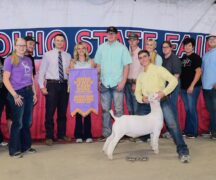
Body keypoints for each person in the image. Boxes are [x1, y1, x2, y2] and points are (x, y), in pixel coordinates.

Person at [135, 50, 190, 163]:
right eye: (140, 57)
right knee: (139, 119)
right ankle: (147, 138)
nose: (143, 59)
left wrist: (164, 92)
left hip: (161, 101)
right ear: (139, 60)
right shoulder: (140, 75)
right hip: (147, 103)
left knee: (172, 124)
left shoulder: (158, 69)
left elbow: (174, 80)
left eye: (145, 56)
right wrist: (141, 98)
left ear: (149, 57)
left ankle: (183, 151)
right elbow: (137, 92)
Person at [94, 26, 132, 141]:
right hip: (105, 83)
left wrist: (124, 81)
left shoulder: (122, 48)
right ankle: (106, 134)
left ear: (116, 35)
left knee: (119, 110)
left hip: (118, 83)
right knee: (105, 110)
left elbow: (126, 65)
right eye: (109, 33)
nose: (110, 35)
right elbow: (98, 65)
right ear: (106, 35)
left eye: (113, 33)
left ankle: (119, 134)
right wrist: (98, 79)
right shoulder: (101, 48)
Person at [3, 38, 37, 158]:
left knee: (27, 122)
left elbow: (31, 78)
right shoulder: (10, 59)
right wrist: (14, 95)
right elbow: (5, 79)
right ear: (15, 46)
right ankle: (14, 150)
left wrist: (35, 93)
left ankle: (26, 146)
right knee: (18, 122)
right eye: (20, 45)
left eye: (24, 45)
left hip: (28, 93)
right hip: (17, 93)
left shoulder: (28, 59)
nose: (22, 47)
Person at [38, 34, 71, 146]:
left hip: (64, 85)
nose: (60, 42)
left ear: (64, 42)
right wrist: (42, 86)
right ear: (54, 41)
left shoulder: (68, 55)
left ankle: (61, 135)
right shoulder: (47, 55)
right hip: (52, 85)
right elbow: (42, 72)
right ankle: (49, 136)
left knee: (62, 111)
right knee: (50, 112)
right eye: (58, 40)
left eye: (62, 40)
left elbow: (70, 72)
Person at [70, 42, 95, 143]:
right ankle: (78, 135)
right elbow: (72, 77)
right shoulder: (73, 62)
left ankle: (88, 135)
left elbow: (93, 76)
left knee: (88, 113)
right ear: (76, 50)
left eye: (83, 48)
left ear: (86, 50)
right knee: (79, 113)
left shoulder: (91, 62)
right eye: (78, 48)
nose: (81, 50)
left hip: (88, 91)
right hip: (77, 91)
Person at [180, 38, 202, 138]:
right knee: (188, 109)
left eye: (189, 45)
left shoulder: (196, 57)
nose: (187, 47)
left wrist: (192, 86)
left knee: (192, 109)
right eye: (185, 45)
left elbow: (198, 72)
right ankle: (187, 130)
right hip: (183, 88)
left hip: (193, 87)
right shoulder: (182, 58)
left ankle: (193, 132)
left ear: (193, 46)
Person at [161, 41, 182, 138]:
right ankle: (170, 131)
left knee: (172, 109)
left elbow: (176, 76)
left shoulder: (175, 58)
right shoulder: (163, 59)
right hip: (166, 87)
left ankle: (175, 133)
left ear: (171, 48)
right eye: (163, 47)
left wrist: (169, 90)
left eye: (166, 47)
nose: (165, 49)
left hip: (173, 87)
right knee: (167, 109)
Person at [202, 33, 216, 140]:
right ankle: (212, 131)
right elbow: (203, 71)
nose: (211, 40)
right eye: (209, 39)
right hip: (206, 87)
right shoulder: (206, 55)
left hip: (214, 87)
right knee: (211, 110)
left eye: (213, 39)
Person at [125, 33, 142, 115]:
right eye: (130, 40)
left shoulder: (141, 53)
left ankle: (138, 127)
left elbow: (142, 70)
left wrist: (136, 83)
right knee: (129, 106)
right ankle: (132, 126)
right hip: (127, 82)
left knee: (136, 107)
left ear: (138, 41)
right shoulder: (127, 53)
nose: (132, 42)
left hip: (135, 82)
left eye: (134, 40)